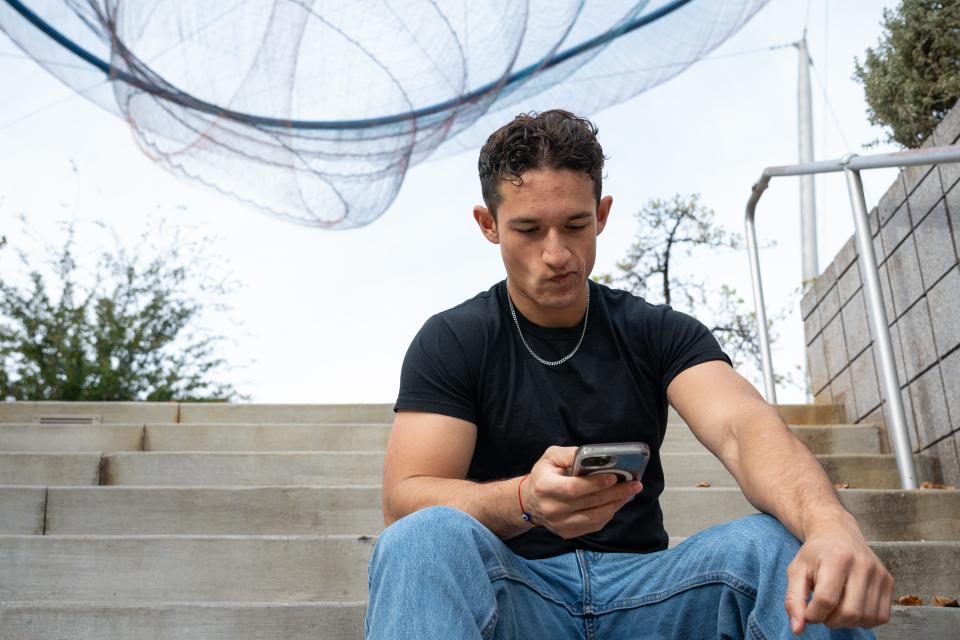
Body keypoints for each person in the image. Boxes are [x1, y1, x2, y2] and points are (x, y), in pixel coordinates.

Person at [365, 110, 894, 639]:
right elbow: (406, 498)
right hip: (515, 592)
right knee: (421, 540)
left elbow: (744, 428)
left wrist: (831, 525)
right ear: (488, 225)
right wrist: (523, 500)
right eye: (528, 229)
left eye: (575, 225)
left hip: (653, 595)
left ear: (601, 214)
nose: (556, 254)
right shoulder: (453, 338)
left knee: (777, 545)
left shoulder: (657, 330)